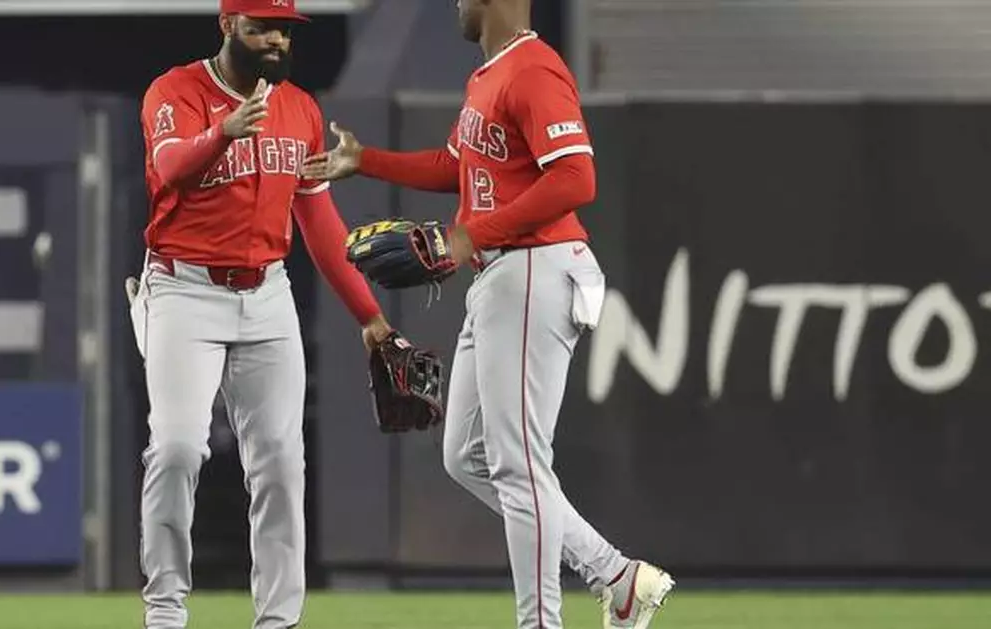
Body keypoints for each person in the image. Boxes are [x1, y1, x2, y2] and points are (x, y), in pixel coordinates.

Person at [301, 1, 674, 628]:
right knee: (466, 456)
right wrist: (367, 160)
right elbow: (456, 167)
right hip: (500, 274)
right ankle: (616, 575)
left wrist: (471, 237)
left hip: (534, 267)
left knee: (518, 461)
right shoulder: (488, 75)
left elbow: (577, 178)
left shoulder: (533, 69)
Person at [127, 1, 394, 628]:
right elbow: (167, 168)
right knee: (177, 450)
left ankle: (279, 620)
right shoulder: (176, 91)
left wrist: (369, 314)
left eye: (283, 28)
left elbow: (321, 225)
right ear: (228, 27)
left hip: (266, 292)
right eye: (260, 27)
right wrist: (221, 133)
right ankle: (165, 611)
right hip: (183, 287)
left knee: (279, 458)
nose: (275, 39)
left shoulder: (298, 107)